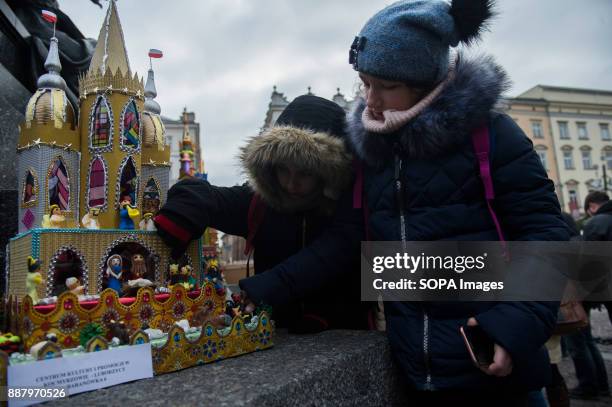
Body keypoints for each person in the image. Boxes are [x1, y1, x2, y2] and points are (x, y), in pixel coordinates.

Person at [345, 0, 569, 404]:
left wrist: (512, 325)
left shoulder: (493, 135)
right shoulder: (373, 150)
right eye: (365, 82)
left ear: (426, 81)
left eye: (387, 86)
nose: (371, 101)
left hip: (499, 374)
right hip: (415, 377)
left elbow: (546, 235)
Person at [154, 95, 368, 332]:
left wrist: (272, 287)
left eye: (305, 173)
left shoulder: (354, 209)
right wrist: (185, 208)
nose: (291, 184)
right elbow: (209, 196)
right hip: (277, 338)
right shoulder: (261, 202)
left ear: (328, 172)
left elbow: (336, 251)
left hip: (348, 334)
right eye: (284, 170)